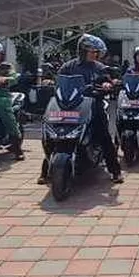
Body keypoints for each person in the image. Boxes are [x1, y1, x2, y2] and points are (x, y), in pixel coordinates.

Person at [43, 34, 124, 184]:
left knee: (104, 135)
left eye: (97, 52)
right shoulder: (69, 66)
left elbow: (107, 79)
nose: (96, 55)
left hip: (93, 105)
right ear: (83, 51)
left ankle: (115, 171)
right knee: (54, 134)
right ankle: (46, 169)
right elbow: (59, 82)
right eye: (93, 52)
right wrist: (50, 82)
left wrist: (108, 84)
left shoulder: (99, 68)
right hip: (69, 107)